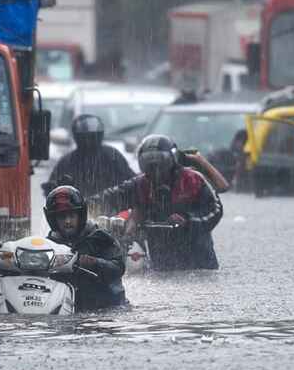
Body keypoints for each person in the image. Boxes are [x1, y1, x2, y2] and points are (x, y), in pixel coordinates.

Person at [92, 134, 223, 271]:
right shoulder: (140, 184)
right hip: (161, 263)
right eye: (148, 162)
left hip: (199, 262)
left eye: (161, 161)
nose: (155, 167)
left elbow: (215, 210)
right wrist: (80, 207)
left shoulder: (193, 180)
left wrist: (188, 221)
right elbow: (109, 198)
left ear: (172, 160)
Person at [44, 185, 127, 311]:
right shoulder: (49, 244)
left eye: (71, 216)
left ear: (80, 215)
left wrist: (93, 262)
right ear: (53, 220)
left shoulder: (99, 237)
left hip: (105, 307)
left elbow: (118, 268)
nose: (67, 221)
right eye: (62, 217)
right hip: (64, 307)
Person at [43, 114, 135, 198]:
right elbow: (52, 191)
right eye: (85, 137)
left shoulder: (112, 156)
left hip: (113, 210)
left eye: (92, 137)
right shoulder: (67, 161)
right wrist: (55, 188)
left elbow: (131, 181)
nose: (89, 141)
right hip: (79, 211)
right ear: (78, 137)